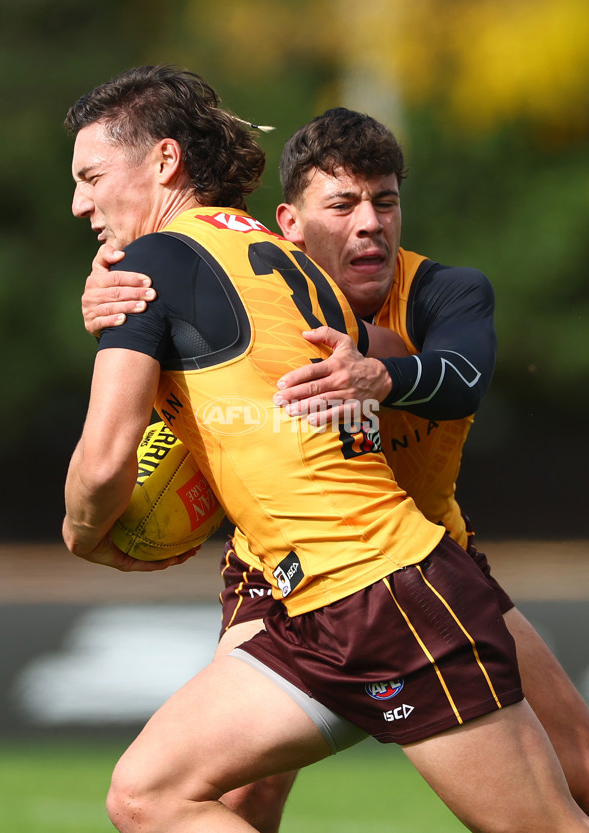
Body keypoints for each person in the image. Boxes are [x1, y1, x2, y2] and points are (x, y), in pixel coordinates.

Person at [63, 64, 589, 833]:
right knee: (155, 791)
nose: (80, 201)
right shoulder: (280, 267)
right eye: (342, 204)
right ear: (291, 220)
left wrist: (82, 531)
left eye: (91, 177)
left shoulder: (437, 291)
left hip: (389, 576)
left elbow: (106, 460)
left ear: (166, 162)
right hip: (296, 577)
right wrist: (110, 295)